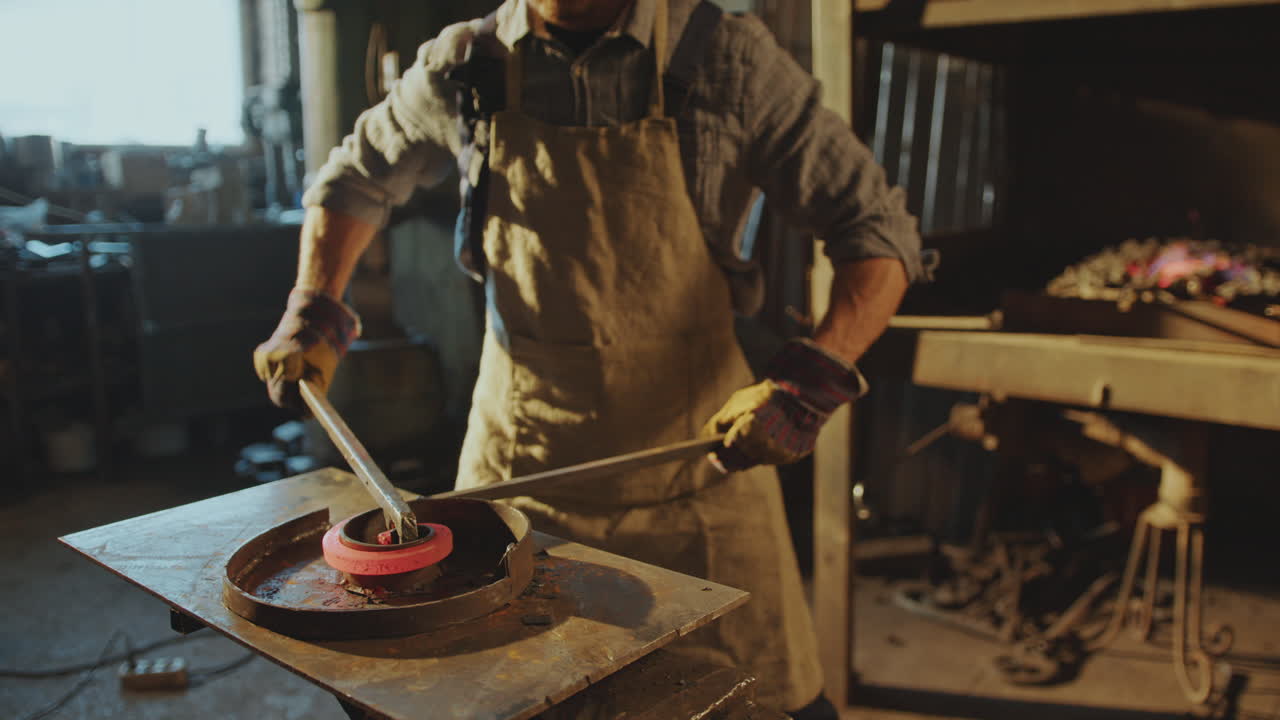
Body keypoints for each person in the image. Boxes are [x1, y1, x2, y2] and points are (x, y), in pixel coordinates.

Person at [254, 0, 923, 717]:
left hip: (701, 479)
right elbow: (354, 178)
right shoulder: (467, 65)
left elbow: (879, 230)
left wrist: (808, 382)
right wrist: (313, 310)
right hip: (520, 480)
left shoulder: (722, 56)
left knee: (759, 701)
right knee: (500, 698)